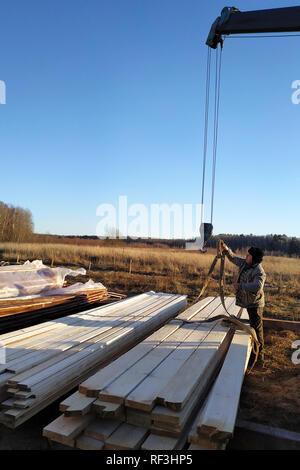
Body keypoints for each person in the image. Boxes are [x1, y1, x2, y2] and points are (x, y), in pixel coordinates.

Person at [220, 242, 266, 364]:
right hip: (248, 301)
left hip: (255, 304)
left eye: (248, 255)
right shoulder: (246, 264)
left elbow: (257, 286)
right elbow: (234, 258)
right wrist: (226, 250)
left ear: (254, 258)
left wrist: (241, 286)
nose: (246, 256)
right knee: (253, 326)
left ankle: (259, 356)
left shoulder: (259, 271)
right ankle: (255, 351)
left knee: (256, 329)